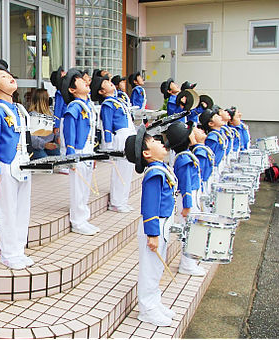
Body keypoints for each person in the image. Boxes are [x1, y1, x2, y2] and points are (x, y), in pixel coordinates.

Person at [0, 59, 33, 270]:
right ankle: (9, 253)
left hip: (23, 164)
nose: (9, 77)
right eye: (2, 77)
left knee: (22, 209)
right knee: (7, 209)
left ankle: (18, 249)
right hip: (5, 165)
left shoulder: (19, 109)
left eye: (8, 74)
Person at [124, 126, 176, 327]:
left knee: (156, 269)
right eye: (153, 141)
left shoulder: (161, 168)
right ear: (146, 153)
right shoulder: (154, 172)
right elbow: (149, 205)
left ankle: (155, 302)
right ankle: (147, 309)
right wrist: (152, 233)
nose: (159, 141)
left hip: (163, 224)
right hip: (154, 226)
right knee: (150, 268)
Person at [61, 68, 100, 236]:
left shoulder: (87, 105)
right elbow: (69, 130)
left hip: (88, 150)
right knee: (78, 186)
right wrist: (70, 154)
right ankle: (77, 221)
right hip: (78, 150)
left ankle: (84, 218)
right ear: (72, 90)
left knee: (85, 186)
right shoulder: (75, 106)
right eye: (78, 80)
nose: (85, 80)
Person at [164, 121, 206, 276]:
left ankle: (190, 262)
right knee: (189, 231)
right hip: (188, 198)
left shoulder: (186, 155)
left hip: (194, 196)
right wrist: (188, 205)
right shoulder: (184, 159)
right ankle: (187, 265)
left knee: (193, 230)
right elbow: (186, 184)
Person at [91, 75, 135, 213]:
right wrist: (109, 146)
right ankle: (116, 202)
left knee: (128, 169)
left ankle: (123, 200)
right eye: (106, 83)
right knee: (120, 170)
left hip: (129, 133)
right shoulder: (107, 104)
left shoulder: (118, 100)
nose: (110, 83)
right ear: (101, 91)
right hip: (120, 136)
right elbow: (107, 127)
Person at [28, 88, 60, 160]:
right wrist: (45, 145)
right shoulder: (33, 115)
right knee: (45, 160)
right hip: (36, 147)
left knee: (58, 157)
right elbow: (31, 138)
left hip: (49, 145)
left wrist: (57, 137)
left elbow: (55, 129)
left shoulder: (51, 113)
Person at [200, 109, 226, 178]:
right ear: (211, 123)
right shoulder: (212, 138)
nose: (220, 117)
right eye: (216, 116)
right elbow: (209, 156)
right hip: (213, 170)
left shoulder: (219, 134)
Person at [191, 126, 215, 197]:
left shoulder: (203, 149)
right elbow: (200, 172)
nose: (201, 130)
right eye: (197, 130)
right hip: (203, 183)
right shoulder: (199, 152)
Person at [50, 66, 67, 155]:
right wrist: (56, 125)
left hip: (69, 118)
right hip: (64, 119)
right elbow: (58, 109)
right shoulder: (60, 93)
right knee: (64, 143)